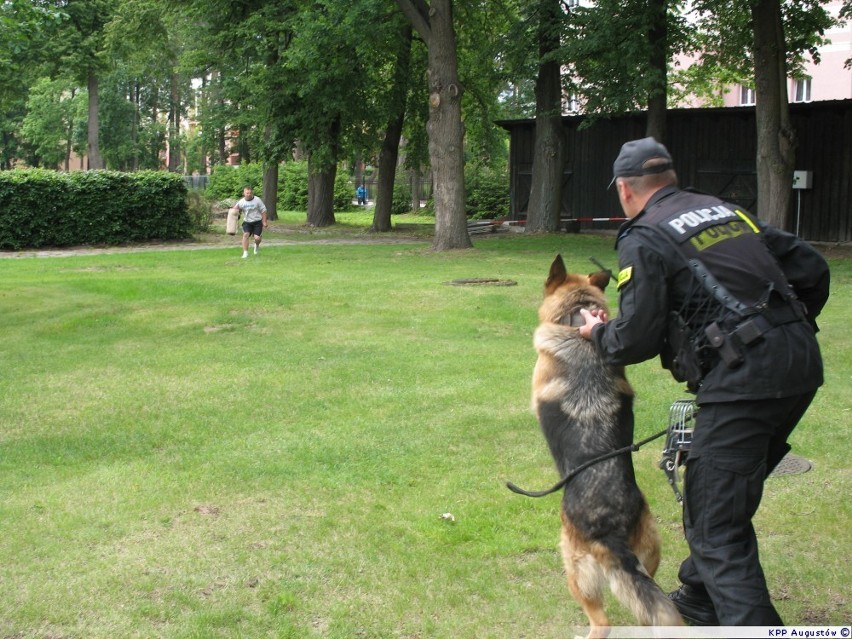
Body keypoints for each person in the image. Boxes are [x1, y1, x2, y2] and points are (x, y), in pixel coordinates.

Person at [577, 137, 830, 626]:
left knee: (714, 525)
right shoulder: (723, 211)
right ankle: (701, 595)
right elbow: (811, 269)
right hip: (799, 361)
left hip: (747, 378)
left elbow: (638, 335)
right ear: (670, 178)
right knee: (720, 490)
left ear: (625, 190)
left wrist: (597, 332)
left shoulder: (643, 233)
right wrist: (779, 328)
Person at [235, 185, 268, 258]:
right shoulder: (241, 202)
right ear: (244, 193)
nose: (249, 194)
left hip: (257, 222)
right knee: (245, 235)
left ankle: (256, 245)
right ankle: (245, 253)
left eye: (250, 193)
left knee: (257, 238)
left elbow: (264, 211)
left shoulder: (257, 200)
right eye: (247, 193)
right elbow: (235, 210)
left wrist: (264, 222)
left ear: (252, 193)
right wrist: (235, 214)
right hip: (247, 222)